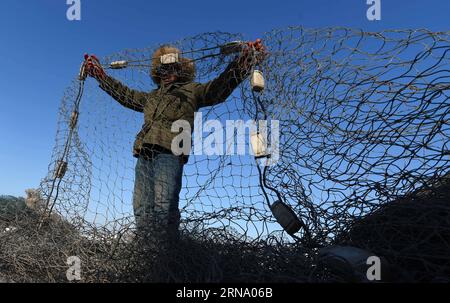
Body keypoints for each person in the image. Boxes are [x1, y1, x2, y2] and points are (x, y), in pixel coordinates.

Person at [83, 39, 266, 241]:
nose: (167, 72)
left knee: (164, 206)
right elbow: (125, 95)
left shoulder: (192, 91)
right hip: (145, 152)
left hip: (171, 152)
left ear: (181, 69)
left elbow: (219, 88)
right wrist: (101, 76)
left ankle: (166, 257)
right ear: (157, 72)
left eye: (172, 67)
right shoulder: (150, 97)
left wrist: (243, 62)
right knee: (142, 207)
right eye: (163, 68)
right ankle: (145, 254)